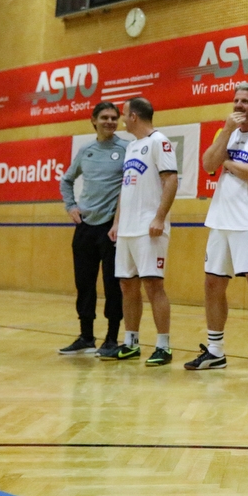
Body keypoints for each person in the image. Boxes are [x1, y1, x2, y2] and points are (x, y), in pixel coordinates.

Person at [184, 83, 248, 378]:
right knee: (213, 284)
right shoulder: (225, 133)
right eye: (236, 100)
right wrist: (226, 133)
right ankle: (215, 351)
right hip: (220, 220)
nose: (238, 105)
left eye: (245, 101)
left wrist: (227, 162)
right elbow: (207, 164)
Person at [104, 97, 178, 365]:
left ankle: (163, 346)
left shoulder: (159, 141)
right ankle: (131, 342)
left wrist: (160, 217)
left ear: (134, 116)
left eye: (124, 115)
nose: (122, 119)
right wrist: (116, 222)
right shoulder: (132, 146)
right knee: (127, 285)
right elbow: (126, 188)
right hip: (127, 229)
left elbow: (171, 180)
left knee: (153, 285)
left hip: (150, 228)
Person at [58, 102, 127, 356]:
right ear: (93, 121)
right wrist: (71, 206)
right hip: (85, 227)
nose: (110, 121)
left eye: (114, 117)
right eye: (104, 117)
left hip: (112, 228)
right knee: (84, 283)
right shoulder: (86, 151)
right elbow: (66, 180)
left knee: (112, 284)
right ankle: (86, 336)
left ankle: (111, 337)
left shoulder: (126, 149)